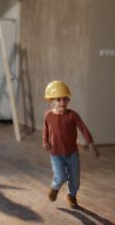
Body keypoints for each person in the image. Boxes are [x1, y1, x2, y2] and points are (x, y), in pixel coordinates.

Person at [43, 80, 100, 208]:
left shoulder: (72, 115)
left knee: (75, 180)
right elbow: (46, 129)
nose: (62, 102)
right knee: (61, 176)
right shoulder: (48, 116)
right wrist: (45, 141)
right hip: (56, 154)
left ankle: (71, 195)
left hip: (72, 154)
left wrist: (91, 144)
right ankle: (55, 187)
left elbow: (83, 128)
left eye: (65, 99)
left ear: (68, 100)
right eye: (58, 100)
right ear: (51, 101)